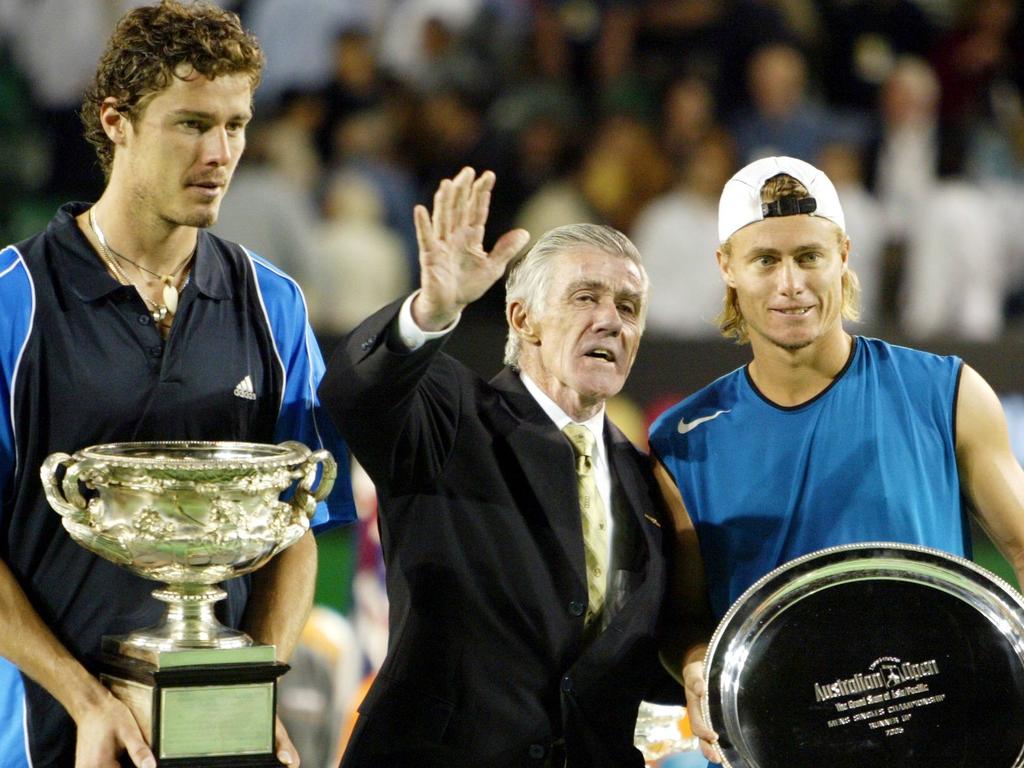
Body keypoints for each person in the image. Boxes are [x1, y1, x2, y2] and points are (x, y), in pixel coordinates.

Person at [0, 3, 356, 766]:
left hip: (211, 740)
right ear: (116, 120)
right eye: (192, 124)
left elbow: (296, 523)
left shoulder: (275, 305)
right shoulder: (11, 300)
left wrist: (252, 693)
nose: (220, 152)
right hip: (43, 734)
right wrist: (86, 698)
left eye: (236, 125)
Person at [647, 155, 1024, 764]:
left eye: (808, 256)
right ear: (727, 268)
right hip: (779, 747)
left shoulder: (946, 392)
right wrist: (695, 666)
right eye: (765, 260)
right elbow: (684, 619)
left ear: (843, 254)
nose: (789, 284)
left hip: (945, 744)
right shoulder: (682, 440)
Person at [319, 166, 675, 766]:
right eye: (585, 297)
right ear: (522, 319)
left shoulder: (645, 482)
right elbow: (356, 393)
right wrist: (428, 313)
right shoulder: (453, 415)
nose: (611, 320)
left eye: (629, 306)